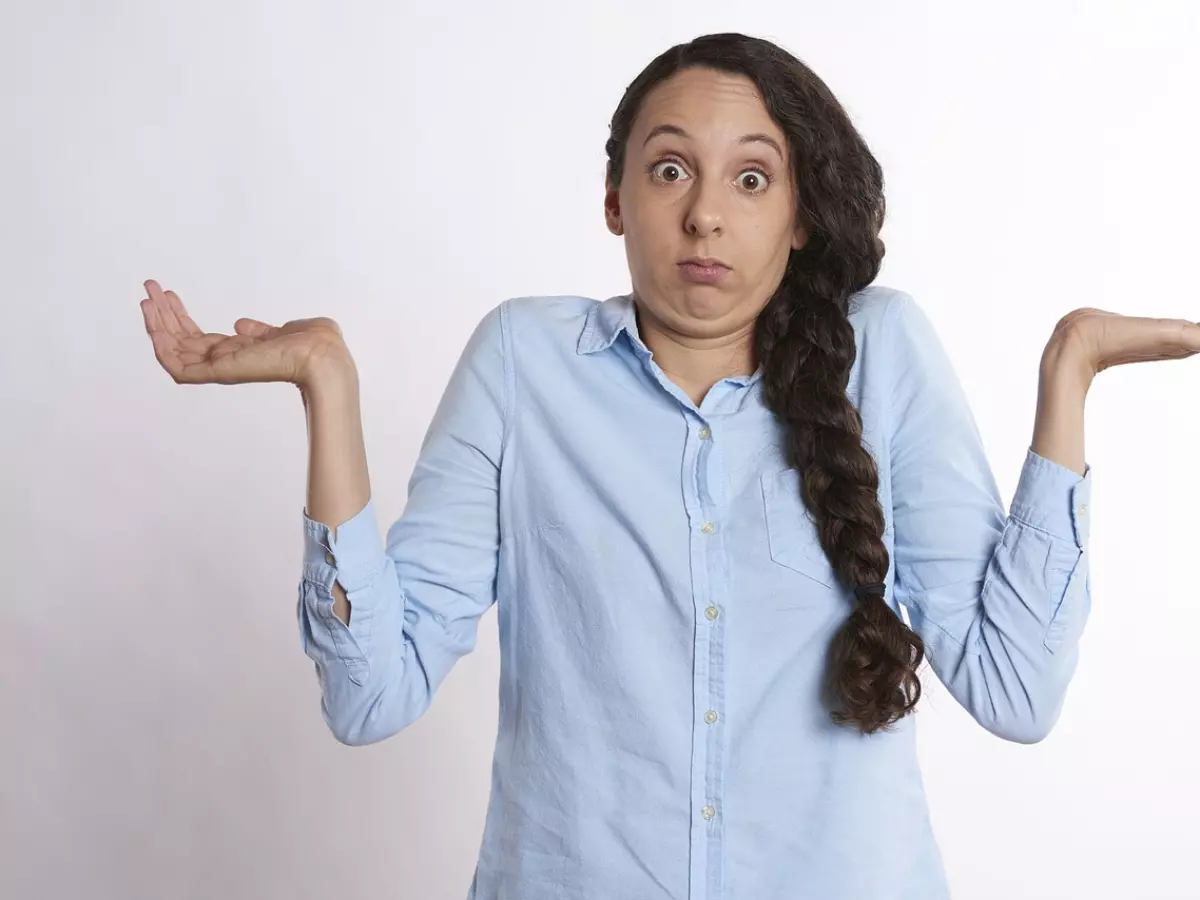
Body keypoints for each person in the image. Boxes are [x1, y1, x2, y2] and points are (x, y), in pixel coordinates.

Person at [140, 31, 1200, 900]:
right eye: (669, 169)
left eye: (751, 176)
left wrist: (1070, 375)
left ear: (799, 215)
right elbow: (370, 696)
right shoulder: (523, 364)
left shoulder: (886, 354)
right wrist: (328, 388)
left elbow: (1017, 690)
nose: (705, 212)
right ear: (615, 200)